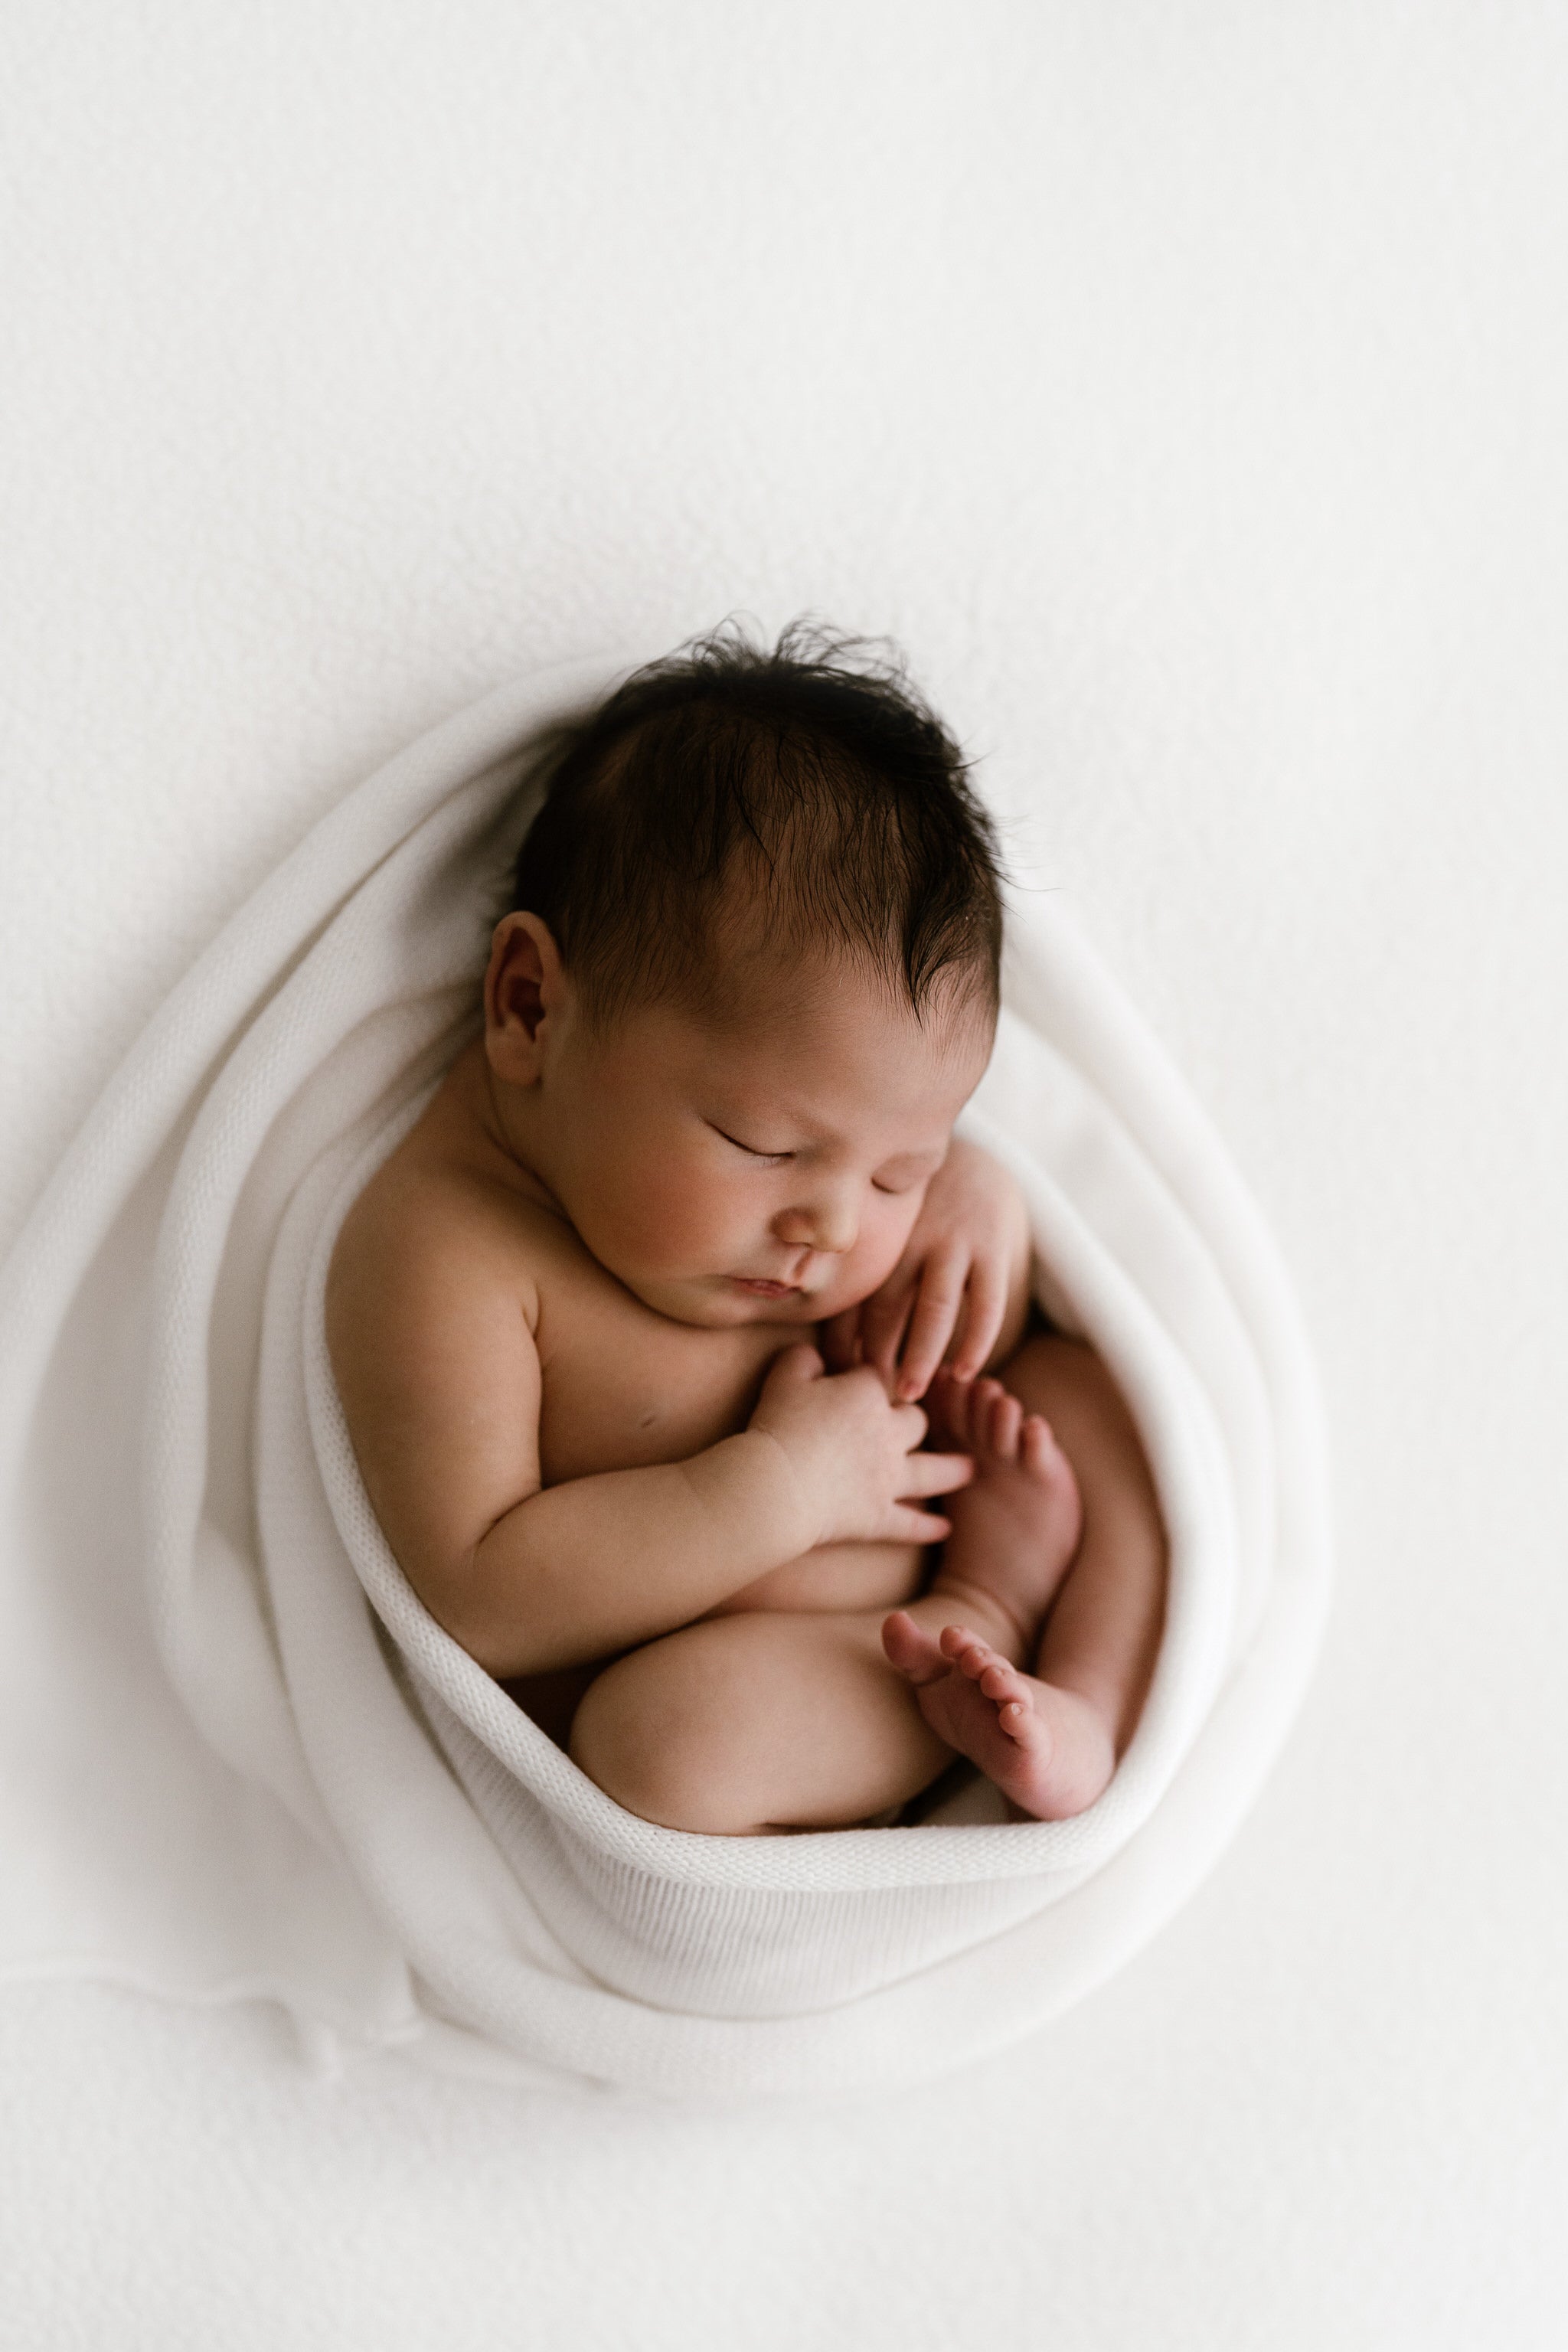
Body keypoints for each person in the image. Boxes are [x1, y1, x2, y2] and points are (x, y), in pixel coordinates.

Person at [325, 626, 1165, 1834]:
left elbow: (962, 1261)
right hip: (796, 1675)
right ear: (529, 1006)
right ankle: (983, 1641)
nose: (832, 1225)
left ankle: (1080, 1688)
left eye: (897, 1171)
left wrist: (975, 1199)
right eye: (767, 1147)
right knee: (659, 1747)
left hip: (964, 1508)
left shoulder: (834, 1196)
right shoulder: (451, 1254)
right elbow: (476, 1593)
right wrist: (778, 1490)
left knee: (1097, 1392)